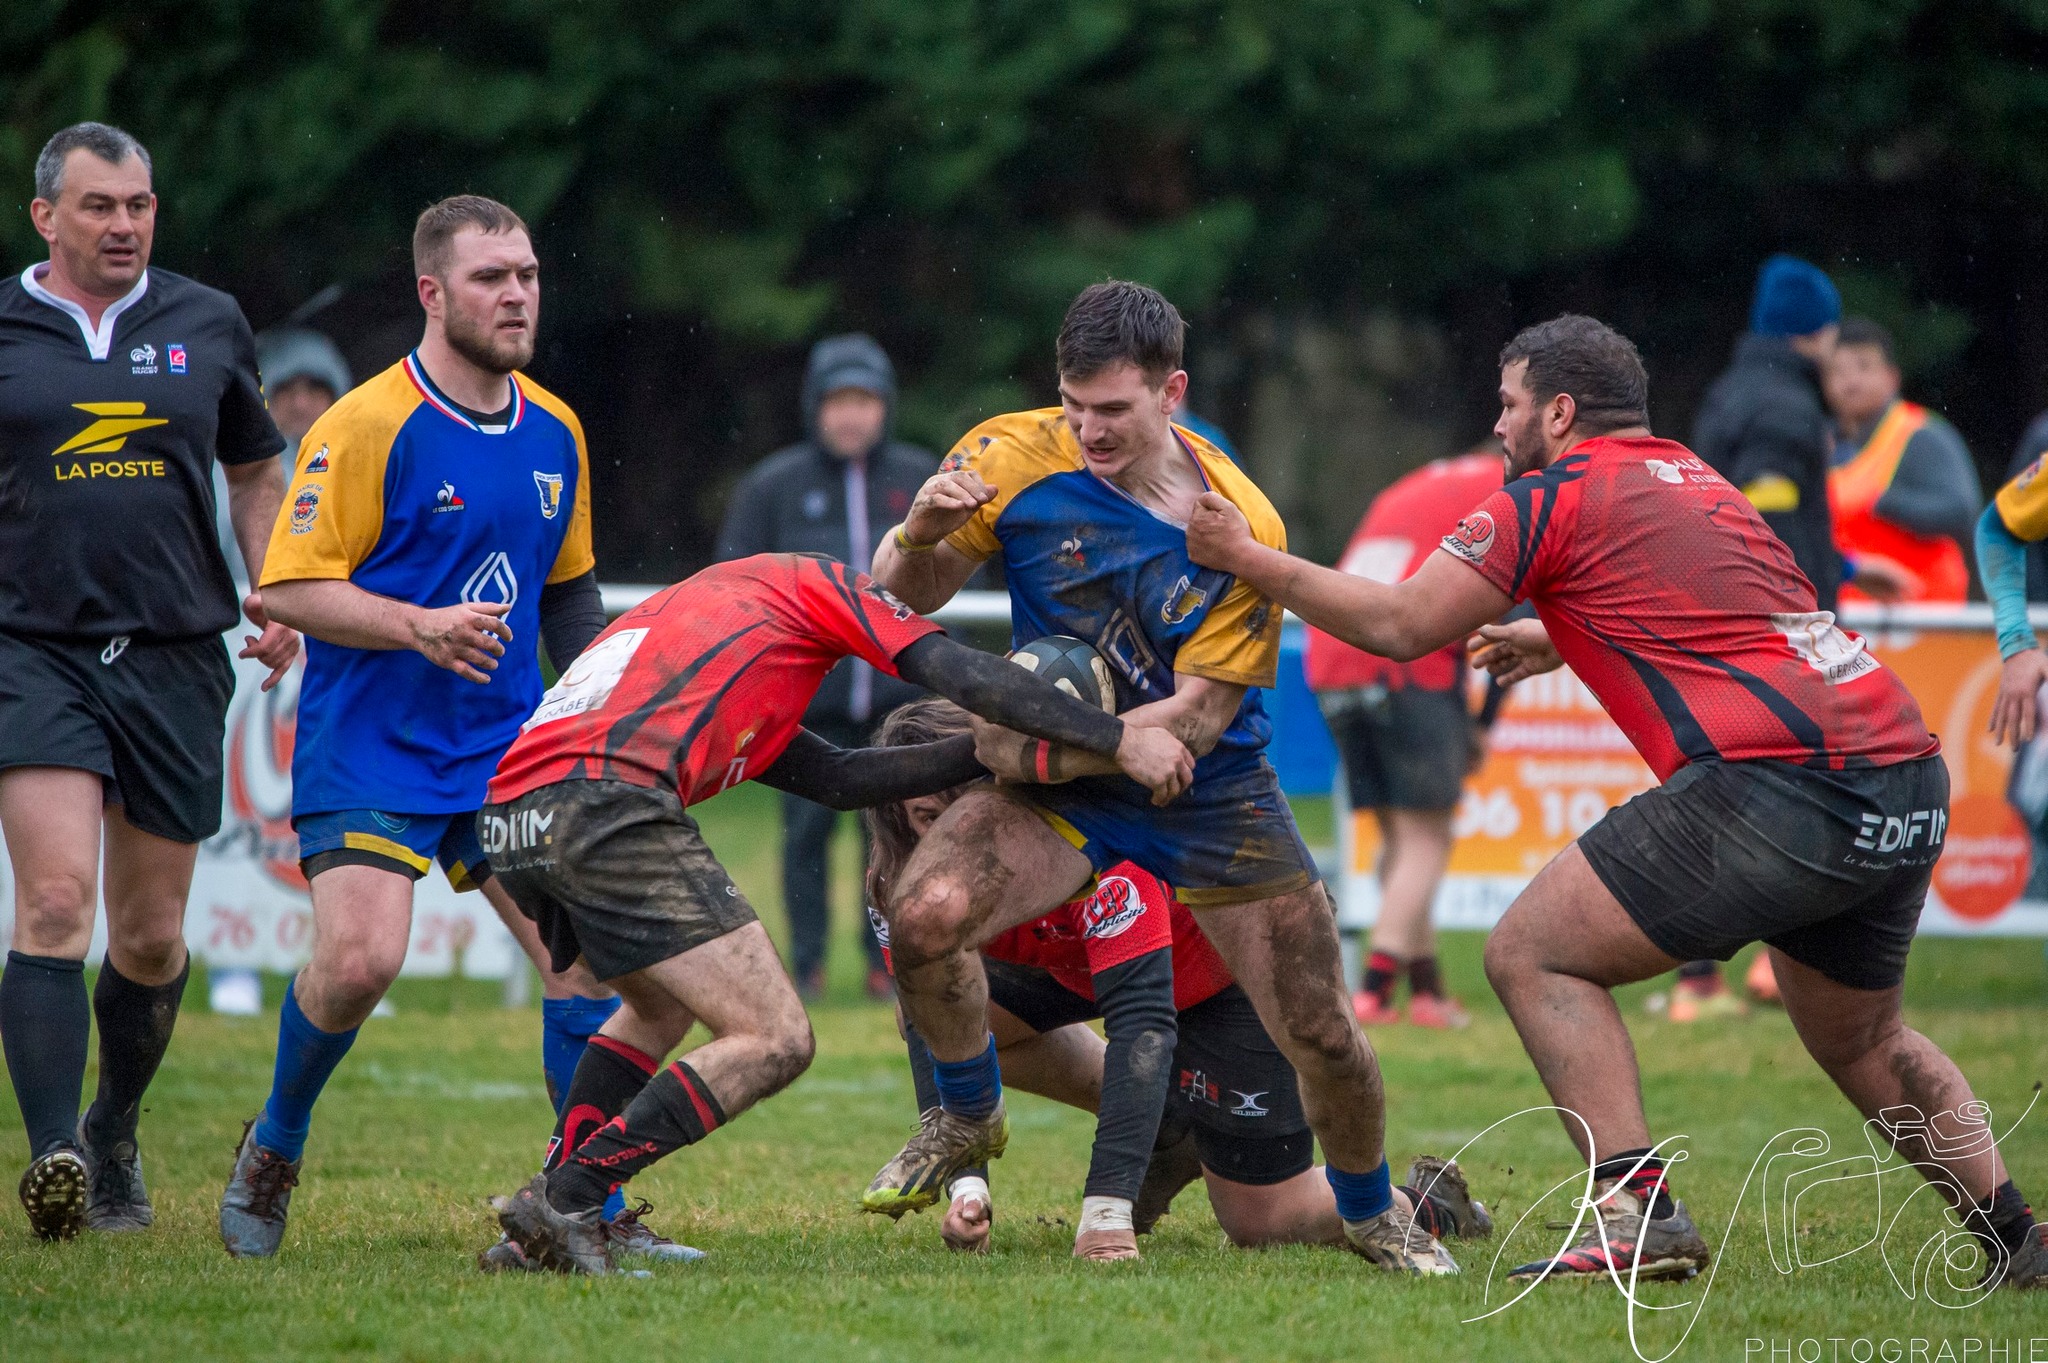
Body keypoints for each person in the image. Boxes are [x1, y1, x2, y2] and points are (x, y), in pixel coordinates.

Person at [1185, 312, 2047, 1290]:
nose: (1497, 425)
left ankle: (1641, 1214)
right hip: (1899, 766)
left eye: (1509, 404)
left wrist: (1244, 558)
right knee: (1863, 1037)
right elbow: (1748, 603)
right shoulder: (1687, 471)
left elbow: (1395, 623)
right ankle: (2017, 1235)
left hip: (1780, 778)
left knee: (1528, 952)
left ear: (1557, 410)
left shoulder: (1546, 495)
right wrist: (1559, 636)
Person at [865, 281, 1455, 1273]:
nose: (1087, 430)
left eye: (1113, 410)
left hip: (1210, 792)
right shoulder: (1006, 454)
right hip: (1065, 775)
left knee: (1321, 1031)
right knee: (922, 918)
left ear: (1170, 391)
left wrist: (1043, 738)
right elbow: (905, 587)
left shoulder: (1235, 522)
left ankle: (1373, 1211)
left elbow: (1196, 719)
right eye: (1073, 404)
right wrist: (920, 531)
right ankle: (967, 1117)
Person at [478, 553, 1193, 1274]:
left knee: (658, 1006)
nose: (905, 617)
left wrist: (992, 758)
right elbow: (969, 676)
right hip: (607, 800)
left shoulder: (729, 623)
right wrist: (1115, 740)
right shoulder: (824, 585)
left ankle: (539, 1235)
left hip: (515, 806)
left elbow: (838, 777)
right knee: (774, 1036)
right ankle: (567, 1197)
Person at [216, 195, 619, 1258]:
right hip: (373, 745)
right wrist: (418, 627)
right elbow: (289, 591)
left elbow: (569, 596)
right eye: (492, 277)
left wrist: (606, 699)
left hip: (504, 750)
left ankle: (583, 1207)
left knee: (585, 965)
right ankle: (275, 1141)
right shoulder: (363, 424)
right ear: (433, 293)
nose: (518, 293)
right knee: (358, 964)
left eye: (527, 273)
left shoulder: (557, 429)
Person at [862, 698, 1490, 1262]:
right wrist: (968, 1188)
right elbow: (934, 1023)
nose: (947, 838)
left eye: (964, 810)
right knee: (933, 1004)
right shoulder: (897, 880)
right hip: (1084, 966)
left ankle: (1425, 1203)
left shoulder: (1081, 843)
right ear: (893, 817)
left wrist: (1106, 1217)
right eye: (924, 816)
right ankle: (1171, 1119)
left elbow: (1143, 1021)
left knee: (1263, 1221)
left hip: (1220, 975)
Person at [0, 122, 298, 1241]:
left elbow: (257, 469)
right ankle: (55, 1161)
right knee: (56, 902)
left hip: (175, 650)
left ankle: (113, 1124)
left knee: (151, 937)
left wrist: (275, 582)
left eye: (138, 205)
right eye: (97, 206)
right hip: (30, 647)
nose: (123, 225)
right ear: (46, 216)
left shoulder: (205, 320)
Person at [716, 334, 938, 1000]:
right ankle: (806, 964)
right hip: (806, 705)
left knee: (898, 835)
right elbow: (734, 585)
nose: (852, 416)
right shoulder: (773, 486)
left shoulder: (921, 478)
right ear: (815, 406)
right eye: (839, 401)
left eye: (865, 400)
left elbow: (957, 573)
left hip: (897, 707)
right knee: (804, 838)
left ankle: (889, 963)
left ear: (886, 407)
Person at [1686, 253, 1856, 1017]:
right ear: (1813, 331)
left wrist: (1847, 563)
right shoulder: (1786, 409)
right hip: (1773, 639)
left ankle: (1725, 972)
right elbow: (1767, 514)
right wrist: (1795, 621)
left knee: (1724, 797)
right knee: (1786, 800)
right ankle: (1742, 973)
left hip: (1723, 629)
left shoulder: (1731, 392)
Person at [1306, 451, 1507, 1028]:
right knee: (1427, 836)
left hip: (1332, 656)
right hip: (1404, 663)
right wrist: (1485, 722)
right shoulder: (1519, 488)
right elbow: (1509, 616)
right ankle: (1373, 990)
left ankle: (1427, 991)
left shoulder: (1419, 483)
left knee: (1401, 833)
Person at [207, 327, 358, 1018]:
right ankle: (230, 959)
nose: (300, 404)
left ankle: (343, 961)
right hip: (242, 656)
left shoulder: (361, 464)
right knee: (235, 821)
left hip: (338, 657)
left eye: (315, 390)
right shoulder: (227, 469)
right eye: (287, 390)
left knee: (335, 818)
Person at [1824, 316, 1982, 604]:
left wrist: (1883, 503)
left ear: (1891, 376)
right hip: (1850, 623)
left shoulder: (1920, 436)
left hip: (1921, 619)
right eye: (1838, 370)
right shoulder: (1823, 444)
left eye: (1863, 366)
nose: (1851, 381)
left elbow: (1961, 511)